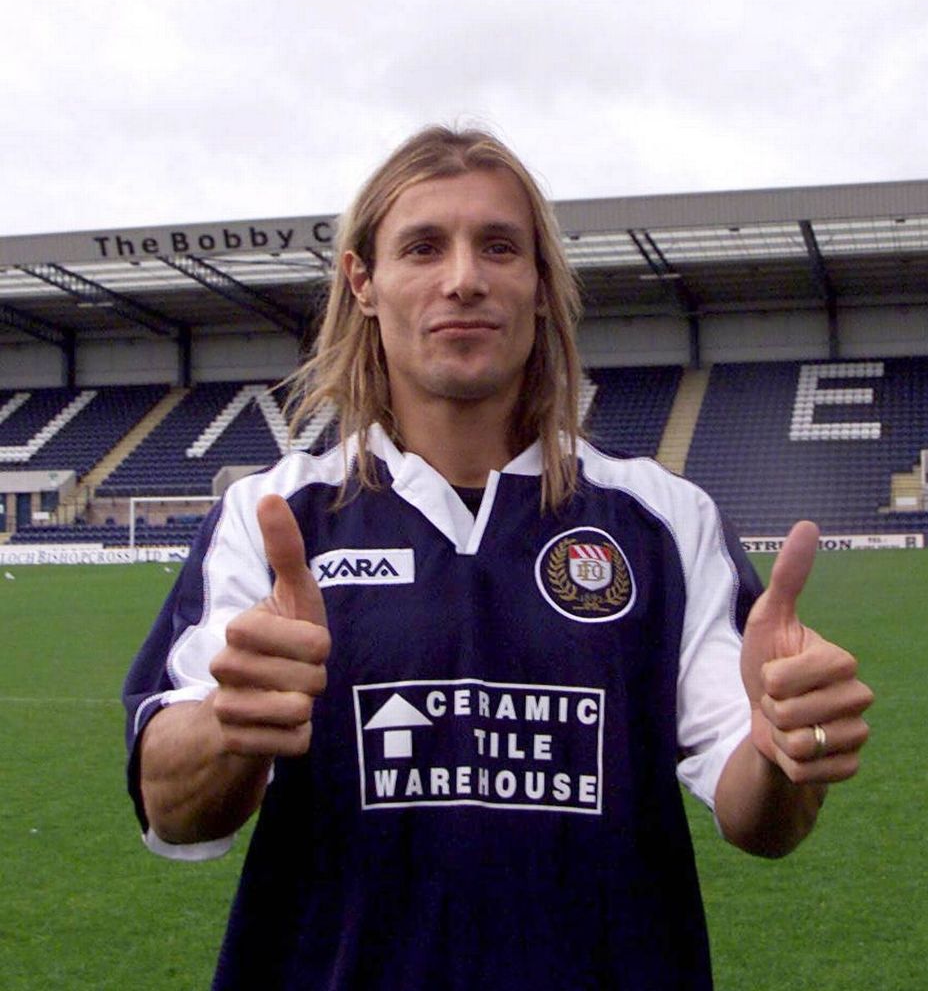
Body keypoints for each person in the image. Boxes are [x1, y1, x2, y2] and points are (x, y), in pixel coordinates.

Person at [123, 126, 874, 990]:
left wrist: (785, 750)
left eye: (499, 247)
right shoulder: (272, 516)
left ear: (541, 285)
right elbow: (172, 810)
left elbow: (760, 819)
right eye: (422, 247)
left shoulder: (664, 520)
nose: (464, 278)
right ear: (363, 282)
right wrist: (231, 722)